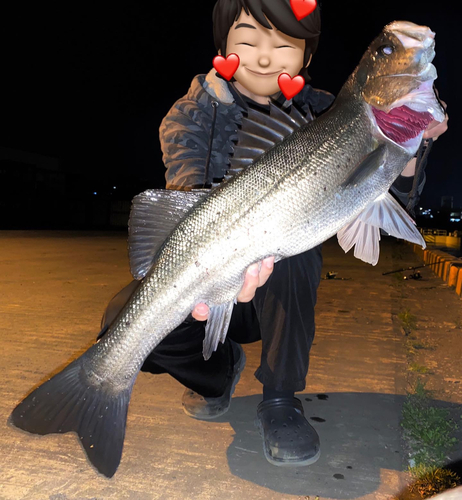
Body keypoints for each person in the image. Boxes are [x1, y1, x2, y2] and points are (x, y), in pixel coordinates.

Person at [101, 0, 448, 467]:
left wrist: (412, 145)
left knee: (293, 251)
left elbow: (397, 202)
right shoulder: (189, 116)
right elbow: (187, 192)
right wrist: (222, 262)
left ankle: (280, 398)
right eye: (248, 40)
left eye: (283, 45)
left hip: (280, 295)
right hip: (214, 275)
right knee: (122, 322)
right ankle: (217, 375)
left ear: (305, 58)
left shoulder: (327, 111)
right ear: (222, 46)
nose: (265, 57)